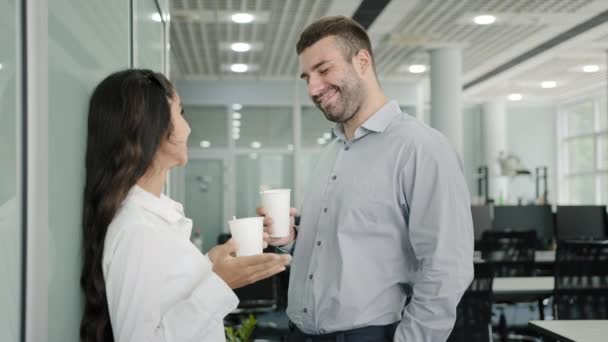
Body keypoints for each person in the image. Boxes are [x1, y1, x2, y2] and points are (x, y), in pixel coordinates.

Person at [259, 16, 474, 341]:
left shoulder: (421, 148)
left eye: (323, 69)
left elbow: (447, 268)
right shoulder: (333, 151)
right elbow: (344, 245)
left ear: (362, 61)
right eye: (306, 77)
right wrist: (291, 239)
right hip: (298, 334)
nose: (313, 88)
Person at [79, 69, 291, 342]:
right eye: (180, 113)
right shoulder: (137, 229)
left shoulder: (153, 219)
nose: (188, 127)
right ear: (152, 127)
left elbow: (167, 294)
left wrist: (210, 264)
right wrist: (219, 283)